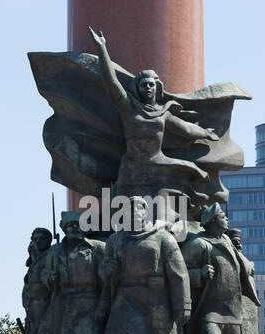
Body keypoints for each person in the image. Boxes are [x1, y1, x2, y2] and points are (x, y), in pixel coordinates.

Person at [88, 27, 219, 209]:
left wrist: (205, 132)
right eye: (144, 85)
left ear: (157, 88)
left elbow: (187, 129)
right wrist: (102, 48)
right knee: (122, 211)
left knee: (193, 175)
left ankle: (195, 211)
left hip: (158, 163)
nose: (148, 88)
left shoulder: (164, 113)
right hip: (131, 167)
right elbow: (111, 83)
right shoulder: (128, 106)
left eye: (151, 85)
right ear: (138, 87)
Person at [100, 196, 192, 334]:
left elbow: (179, 273)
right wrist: (107, 271)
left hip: (157, 301)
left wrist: (183, 304)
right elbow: (103, 274)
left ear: (145, 212)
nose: (132, 212)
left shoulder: (163, 238)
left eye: (137, 207)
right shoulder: (115, 241)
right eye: (127, 208)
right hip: (127, 301)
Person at [181, 203, 260, 334]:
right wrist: (198, 274)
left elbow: (244, 268)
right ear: (213, 221)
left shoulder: (227, 242)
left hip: (233, 311)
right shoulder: (199, 244)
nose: (227, 218)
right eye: (223, 215)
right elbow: (178, 271)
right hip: (210, 311)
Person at [34, 211, 110, 334]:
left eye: (78, 225)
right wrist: (48, 277)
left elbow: (108, 283)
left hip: (89, 303)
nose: (74, 228)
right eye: (69, 226)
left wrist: (102, 306)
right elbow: (45, 276)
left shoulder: (99, 248)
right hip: (61, 305)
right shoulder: (55, 251)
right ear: (63, 229)